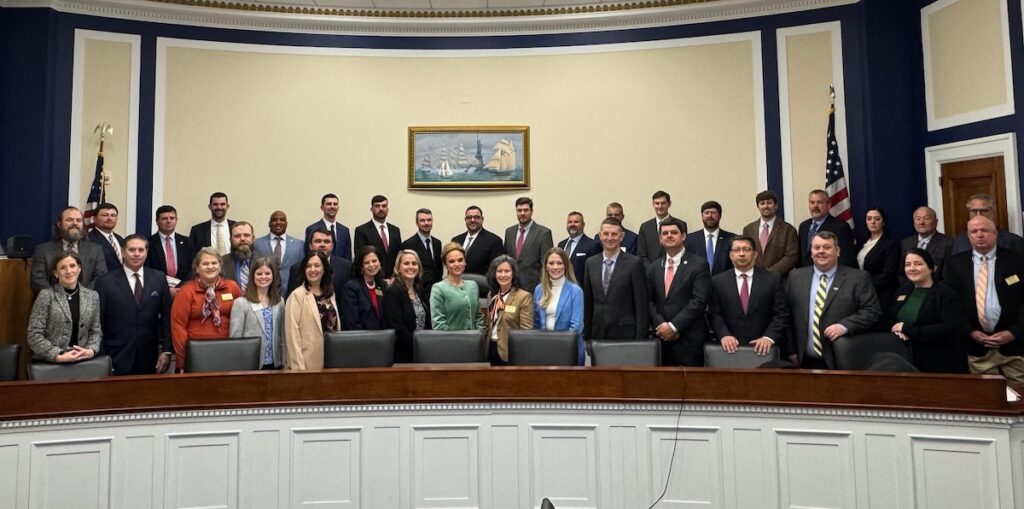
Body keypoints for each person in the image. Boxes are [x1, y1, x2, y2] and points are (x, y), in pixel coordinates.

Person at [943, 215, 1024, 383]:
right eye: (974, 231)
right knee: (987, 402)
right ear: (968, 235)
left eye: (984, 230)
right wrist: (970, 331)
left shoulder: (1018, 260)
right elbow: (951, 304)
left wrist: (1014, 332)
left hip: (1015, 347)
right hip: (977, 349)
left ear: (995, 234)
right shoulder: (954, 264)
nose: (979, 234)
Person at [786, 231, 881, 369]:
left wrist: (844, 326)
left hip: (842, 360)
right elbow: (787, 315)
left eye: (826, 247)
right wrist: (791, 350)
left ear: (837, 251)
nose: (821, 251)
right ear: (811, 252)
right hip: (803, 361)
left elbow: (872, 311)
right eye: (816, 247)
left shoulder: (858, 278)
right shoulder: (795, 277)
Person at [95, 235, 173, 375]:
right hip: (116, 356)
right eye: (132, 250)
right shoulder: (105, 281)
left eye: (141, 250)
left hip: (150, 356)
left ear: (146, 252)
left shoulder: (159, 278)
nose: (136, 254)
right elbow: (98, 322)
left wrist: (166, 351)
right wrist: (102, 356)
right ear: (123, 252)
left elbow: (167, 316)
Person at [888, 248, 966, 373]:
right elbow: (891, 317)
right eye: (908, 264)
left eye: (918, 264)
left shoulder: (946, 294)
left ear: (931, 268)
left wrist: (907, 329)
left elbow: (949, 327)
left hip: (939, 361)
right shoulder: (903, 291)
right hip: (906, 358)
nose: (912, 268)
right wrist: (896, 328)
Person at [709, 236, 789, 357]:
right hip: (730, 349)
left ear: (755, 254)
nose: (741, 254)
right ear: (730, 255)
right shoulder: (717, 281)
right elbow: (715, 313)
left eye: (747, 249)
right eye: (737, 250)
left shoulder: (772, 279)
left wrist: (768, 337)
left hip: (765, 349)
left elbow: (781, 314)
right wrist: (724, 334)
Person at [647, 218, 710, 366]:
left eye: (674, 232)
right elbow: (648, 300)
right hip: (660, 338)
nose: (669, 236)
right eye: (665, 233)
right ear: (660, 238)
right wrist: (662, 325)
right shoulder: (654, 267)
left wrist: (674, 326)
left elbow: (699, 301)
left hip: (689, 339)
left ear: (683, 236)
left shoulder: (699, 264)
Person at [170, 247, 244, 371]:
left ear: (220, 266)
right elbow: (178, 327)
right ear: (197, 268)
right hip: (196, 354)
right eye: (205, 263)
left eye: (214, 263)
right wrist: (183, 361)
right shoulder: (186, 291)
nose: (210, 267)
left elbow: (242, 319)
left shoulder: (232, 287)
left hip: (227, 351)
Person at [27, 251, 102, 362]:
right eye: (62, 268)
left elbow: (95, 331)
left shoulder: (92, 296)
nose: (69, 271)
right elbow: (34, 334)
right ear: (56, 273)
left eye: (72, 266)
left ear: (79, 268)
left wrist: (91, 350)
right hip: (52, 364)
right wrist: (58, 356)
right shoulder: (46, 295)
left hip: (83, 362)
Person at [583, 218, 648, 341]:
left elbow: (641, 305)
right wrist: (587, 336)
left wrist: (640, 338)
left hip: (625, 334)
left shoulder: (634, 263)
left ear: (621, 236)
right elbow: (588, 302)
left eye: (614, 234)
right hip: (598, 333)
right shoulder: (590, 263)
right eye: (606, 234)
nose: (610, 238)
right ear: (600, 236)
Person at [30, 206, 107, 293]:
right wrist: (60, 298)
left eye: (78, 220)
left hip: (87, 302)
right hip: (53, 302)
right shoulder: (43, 250)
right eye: (69, 220)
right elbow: (37, 280)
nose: (75, 223)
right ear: (59, 224)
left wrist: (82, 296)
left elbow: (101, 278)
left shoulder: (96, 250)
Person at [285, 251, 340, 370]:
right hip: (307, 364)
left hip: (332, 361)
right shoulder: (297, 296)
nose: (312, 269)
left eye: (317, 265)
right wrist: (298, 368)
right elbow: (292, 336)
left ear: (324, 269)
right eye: (308, 266)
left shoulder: (330, 294)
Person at [229, 256, 286, 370]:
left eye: (267, 273)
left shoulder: (279, 302)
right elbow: (235, 337)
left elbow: (282, 335)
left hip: (275, 363)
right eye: (259, 274)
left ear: (273, 276)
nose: (263, 277)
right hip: (250, 363)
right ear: (253, 276)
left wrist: (284, 361)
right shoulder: (241, 303)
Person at [534, 247, 585, 364]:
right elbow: (536, 323)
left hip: (568, 350)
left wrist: (557, 346)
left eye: (559, 263)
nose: (555, 267)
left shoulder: (575, 291)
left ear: (566, 266)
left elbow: (576, 327)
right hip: (544, 350)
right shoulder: (539, 289)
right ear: (546, 266)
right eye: (551, 263)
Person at [483, 255, 534, 365]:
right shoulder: (491, 295)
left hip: (510, 352)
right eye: (499, 271)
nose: (503, 275)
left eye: (507, 271)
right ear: (494, 274)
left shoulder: (523, 297)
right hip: (490, 349)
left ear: (513, 274)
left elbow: (526, 331)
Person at [383, 249, 431, 363]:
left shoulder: (419, 289)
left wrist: (428, 342)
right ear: (398, 268)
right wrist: (419, 344)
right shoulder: (393, 292)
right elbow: (398, 328)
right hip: (402, 354)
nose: (411, 267)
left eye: (414, 263)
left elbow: (427, 321)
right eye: (406, 263)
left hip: (422, 351)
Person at [741, 190, 799, 280]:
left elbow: (791, 257)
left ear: (776, 205)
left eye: (769, 203)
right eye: (762, 203)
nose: (766, 206)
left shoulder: (788, 229)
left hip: (779, 280)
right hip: (754, 280)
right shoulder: (748, 229)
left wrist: (769, 273)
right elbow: (746, 253)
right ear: (758, 206)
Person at [286, 227, 351, 304]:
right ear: (310, 245)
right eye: (318, 241)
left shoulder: (346, 267)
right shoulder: (297, 269)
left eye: (327, 242)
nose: (322, 245)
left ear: (332, 245)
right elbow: (292, 301)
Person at [504, 197, 554, 293]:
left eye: (526, 210)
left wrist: (541, 288)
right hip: (512, 287)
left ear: (532, 211)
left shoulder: (543, 233)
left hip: (534, 288)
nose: (522, 213)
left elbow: (546, 264)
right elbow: (506, 259)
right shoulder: (509, 232)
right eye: (519, 210)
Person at [430, 242, 483, 331]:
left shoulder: (473, 285)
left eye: (460, 260)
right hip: (451, 342)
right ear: (446, 265)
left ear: (465, 261)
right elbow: (438, 324)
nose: (457, 264)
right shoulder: (438, 289)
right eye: (451, 261)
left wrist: (480, 334)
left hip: (475, 342)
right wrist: (457, 340)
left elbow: (478, 317)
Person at [797, 189, 857, 268]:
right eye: (812, 202)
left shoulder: (841, 227)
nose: (815, 206)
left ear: (828, 205)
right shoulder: (803, 226)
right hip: (806, 276)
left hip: (829, 275)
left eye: (820, 202)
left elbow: (845, 258)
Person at [950, 193, 1024, 255]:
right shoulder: (958, 243)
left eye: (983, 210)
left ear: (993, 213)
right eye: (974, 211)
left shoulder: (1014, 242)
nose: (978, 214)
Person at [857, 207, 900, 309]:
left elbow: (889, 273)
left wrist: (868, 288)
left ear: (883, 222)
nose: (873, 222)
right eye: (869, 219)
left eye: (877, 219)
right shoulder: (862, 243)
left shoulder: (890, 243)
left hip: (881, 295)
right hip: (862, 294)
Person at [146, 205, 194, 296]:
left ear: (176, 220)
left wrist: (181, 287)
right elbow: (147, 270)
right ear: (157, 221)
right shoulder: (148, 243)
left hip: (184, 291)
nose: (168, 221)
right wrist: (167, 289)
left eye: (172, 218)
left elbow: (193, 268)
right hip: (157, 292)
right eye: (164, 218)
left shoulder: (187, 242)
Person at [254, 210, 304, 295]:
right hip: (265, 293)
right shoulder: (257, 243)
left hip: (292, 293)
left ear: (286, 224)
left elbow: (302, 270)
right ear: (269, 223)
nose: (278, 222)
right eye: (274, 220)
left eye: (282, 219)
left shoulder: (299, 244)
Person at [353, 194, 402, 277]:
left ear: (388, 209)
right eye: (377, 206)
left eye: (384, 206)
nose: (381, 209)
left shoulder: (395, 230)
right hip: (372, 278)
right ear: (371, 209)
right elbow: (360, 257)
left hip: (393, 279)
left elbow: (398, 256)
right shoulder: (361, 230)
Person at [683, 200, 735, 275]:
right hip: (697, 283)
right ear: (702, 216)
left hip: (723, 284)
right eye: (706, 213)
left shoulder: (731, 239)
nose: (710, 216)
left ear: (720, 216)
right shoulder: (690, 239)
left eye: (713, 213)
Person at [899, 206, 952, 281]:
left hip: (936, 289)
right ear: (914, 222)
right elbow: (901, 273)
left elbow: (947, 275)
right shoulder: (906, 243)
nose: (921, 222)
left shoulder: (948, 243)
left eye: (926, 218)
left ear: (936, 222)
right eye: (918, 219)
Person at [451, 205, 505, 275]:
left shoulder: (494, 241)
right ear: (465, 220)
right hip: (456, 283)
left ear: (482, 219)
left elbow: (495, 270)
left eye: (476, 217)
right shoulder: (456, 240)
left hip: (482, 284)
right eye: (469, 217)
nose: (473, 220)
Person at [341, 246, 386, 330]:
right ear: (361, 266)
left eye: (374, 261)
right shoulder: (351, 287)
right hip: (361, 338)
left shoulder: (382, 285)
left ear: (379, 263)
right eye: (367, 262)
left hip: (383, 337)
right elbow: (351, 321)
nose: (371, 265)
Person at [400, 208, 443, 289]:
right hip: (418, 289)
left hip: (436, 289)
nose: (426, 223)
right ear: (417, 223)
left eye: (429, 220)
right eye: (422, 220)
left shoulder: (437, 243)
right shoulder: (408, 244)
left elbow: (438, 268)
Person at [637, 190, 685, 263]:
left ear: (669, 204)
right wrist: (651, 270)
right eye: (657, 203)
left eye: (663, 203)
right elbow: (641, 254)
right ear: (653, 204)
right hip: (649, 271)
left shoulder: (680, 224)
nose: (660, 206)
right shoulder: (645, 227)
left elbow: (682, 249)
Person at [304, 193, 352, 260]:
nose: (332, 206)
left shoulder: (344, 230)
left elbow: (348, 255)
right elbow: (308, 254)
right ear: (322, 208)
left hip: (341, 269)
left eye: (335, 204)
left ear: (338, 207)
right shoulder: (312, 229)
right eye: (329, 204)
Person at [557, 211, 595, 283]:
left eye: (576, 222)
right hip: (561, 287)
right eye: (570, 222)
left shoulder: (592, 245)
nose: (572, 224)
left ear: (583, 225)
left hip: (580, 289)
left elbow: (592, 274)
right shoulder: (561, 245)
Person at [220, 221, 258, 292]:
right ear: (230, 240)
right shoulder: (221, 263)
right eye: (237, 236)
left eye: (246, 235)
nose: (242, 239)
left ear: (253, 238)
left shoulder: (268, 261)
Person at [87, 202, 125, 272]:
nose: (110, 218)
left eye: (113, 215)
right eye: (105, 215)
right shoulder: (88, 239)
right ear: (94, 219)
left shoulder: (121, 239)